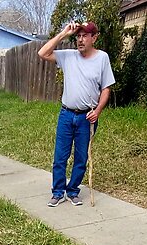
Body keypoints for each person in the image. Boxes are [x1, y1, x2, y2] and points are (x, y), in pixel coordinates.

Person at [38, 22, 115, 207]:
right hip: (66, 114)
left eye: (84, 36)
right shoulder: (68, 56)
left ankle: (72, 191)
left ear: (94, 37)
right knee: (60, 157)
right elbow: (42, 53)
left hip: (86, 118)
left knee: (81, 157)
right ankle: (58, 192)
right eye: (78, 36)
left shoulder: (102, 58)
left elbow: (106, 88)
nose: (80, 40)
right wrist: (64, 33)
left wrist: (97, 111)